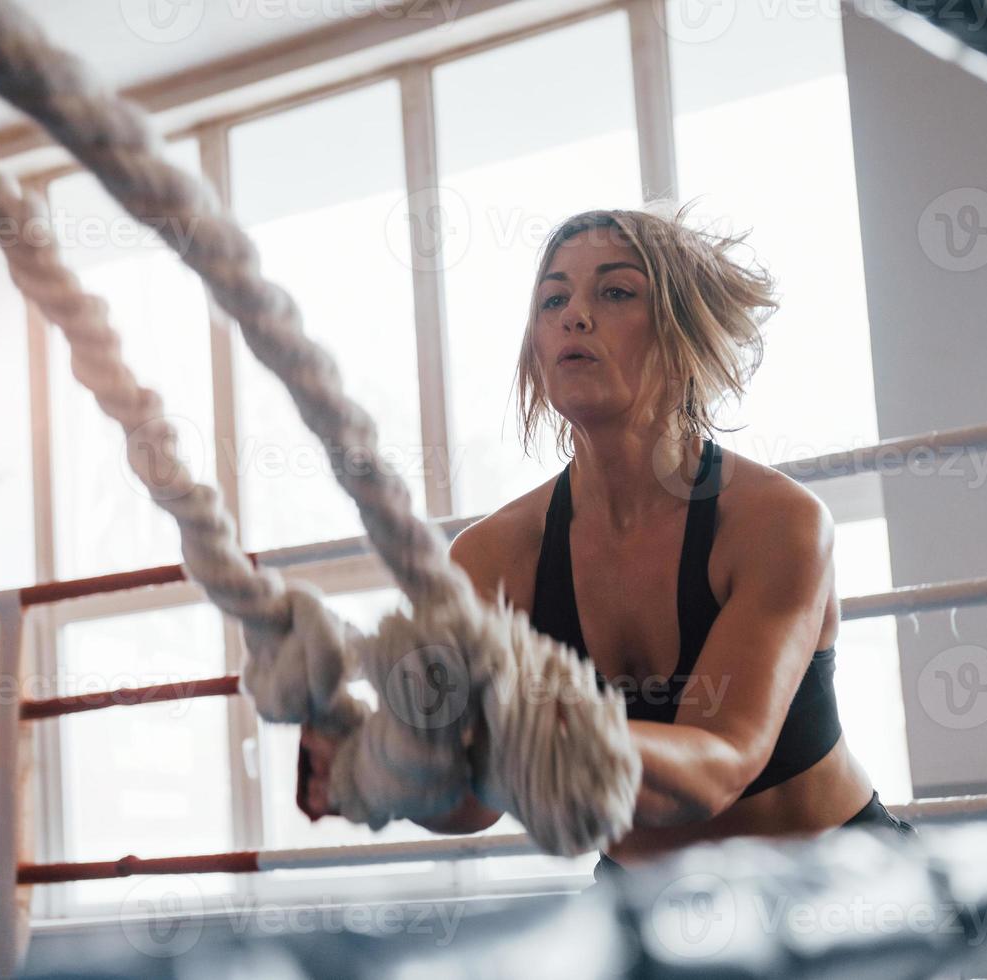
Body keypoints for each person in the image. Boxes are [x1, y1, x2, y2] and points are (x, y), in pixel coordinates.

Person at [299, 203, 915, 883]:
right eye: (553, 299)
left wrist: (537, 724)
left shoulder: (776, 521)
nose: (575, 316)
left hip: (836, 893)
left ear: (683, 333)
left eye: (615, 292)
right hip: (638, 910)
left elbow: (720, 762)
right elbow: (470, 808)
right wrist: (384, 763)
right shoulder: (494, 555)